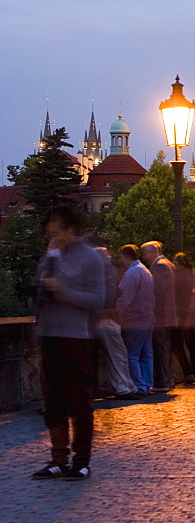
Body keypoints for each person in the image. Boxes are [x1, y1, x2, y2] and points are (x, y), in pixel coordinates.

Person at [31, 206, 106, 481]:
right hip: (49, 335)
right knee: (53, 403)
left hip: (76, 337)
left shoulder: (90, 258)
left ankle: (81, 460)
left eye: (56, 228)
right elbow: (40, 295)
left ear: (70, 228)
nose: (52, 233)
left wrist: (63, 290)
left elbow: (97, 299)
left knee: (78, 402)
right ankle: (58, 458)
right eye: (49, 229)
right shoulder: (51, 257)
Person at [93, 246, 141, 400]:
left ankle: (125, 387)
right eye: (106, 254)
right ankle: (124, 387)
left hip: (105, 318)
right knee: (118, 354)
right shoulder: (106, 274)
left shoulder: (99, 274)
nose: (109, 257)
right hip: (107, 318)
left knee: (116, 355)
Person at [116, 244, 155, 396]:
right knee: (147, 353)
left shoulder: (132, 274)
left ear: (125, 257)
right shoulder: (146, 271)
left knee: (132, 354)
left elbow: (124, 298)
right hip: (148, 317)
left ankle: (139, 385)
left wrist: (115, 314)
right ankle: (146, 384)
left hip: (135, 319)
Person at [140, 241, 177, 393]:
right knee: (165, 348)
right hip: (167, 314)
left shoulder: (158, 266)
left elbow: (158, 292)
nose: (144, 258)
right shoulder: (168, 263)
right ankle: (168, 379)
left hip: (160, 315)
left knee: (160, 348)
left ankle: (162, 381)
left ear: (151, 252)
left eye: (145, 254)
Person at [170, 253, 195, 384]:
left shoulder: (176, 276)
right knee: (192, 344)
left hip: (179, 313)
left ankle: (188, 372)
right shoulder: (192, 274)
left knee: (177, 344)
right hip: (191, 314)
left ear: (177, 263)